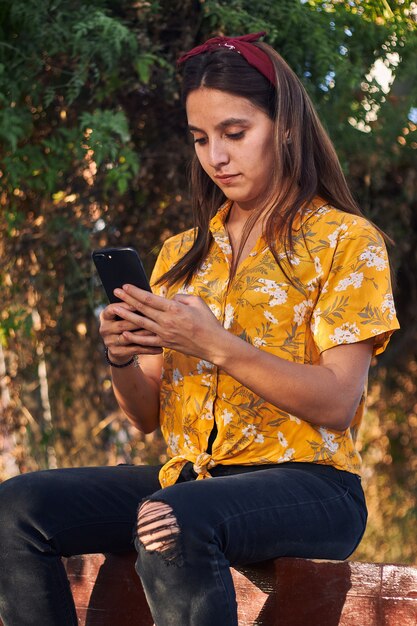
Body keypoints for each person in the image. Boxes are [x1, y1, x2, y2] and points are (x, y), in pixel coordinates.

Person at [0, 32, 399, 626]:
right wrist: (122, 359)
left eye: (235, 134)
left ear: (284, 126)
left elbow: (339, 402)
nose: (216, 156)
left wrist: (216, 344)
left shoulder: (346, 241)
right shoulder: (183, 254)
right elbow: (146, 415)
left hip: (313, 488)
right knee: (17, 507)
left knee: (171, 520)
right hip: (186, 478)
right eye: (200, 139)